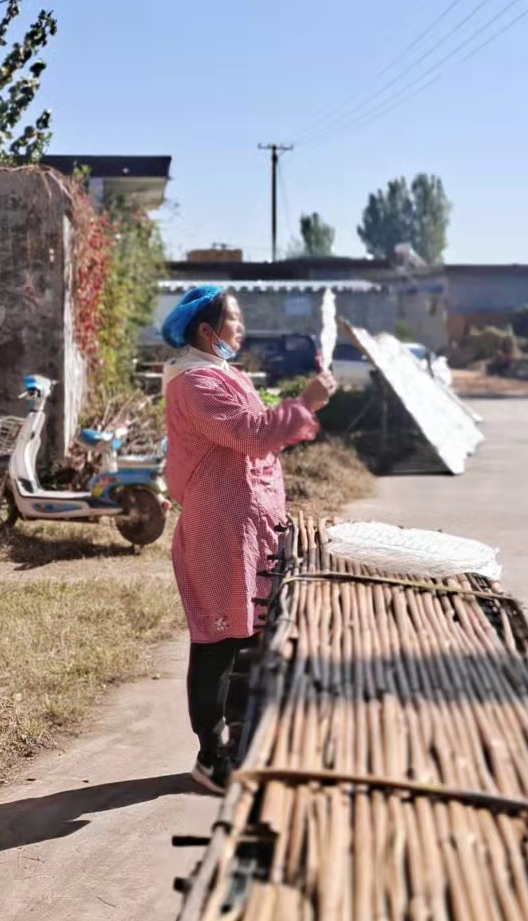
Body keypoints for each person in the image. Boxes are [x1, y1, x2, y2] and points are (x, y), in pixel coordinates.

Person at [160, 285, 337, 792]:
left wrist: (303, 407)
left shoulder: (222, 373)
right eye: (233, 320)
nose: (241, 329)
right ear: (206, 331)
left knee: (250, 632)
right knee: (220, 637)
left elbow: (260, 435)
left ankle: (239, 743)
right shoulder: (194, 383)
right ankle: (210, 755)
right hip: (220, 527)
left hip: (249, 523)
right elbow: (251, 434)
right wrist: (305, 402)